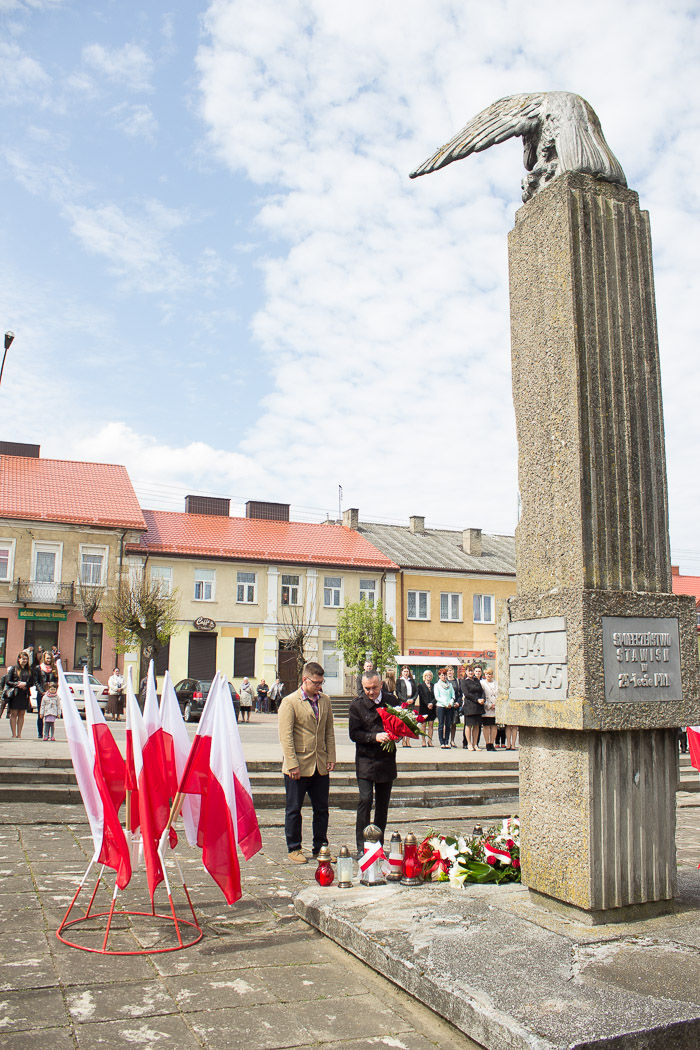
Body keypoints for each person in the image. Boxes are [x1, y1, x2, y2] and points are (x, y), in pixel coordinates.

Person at [278, 661, 336, 864]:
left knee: (322, 809)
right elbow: (285, 736)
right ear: (305, 680)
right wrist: (292, 763)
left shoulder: (325, 701)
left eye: (322, 682)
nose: (320, 686)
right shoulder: (290, 702)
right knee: (294, 808)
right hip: (298, 766)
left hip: (319, 764)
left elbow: (329, 731)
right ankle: (294, 847)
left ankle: (321, 846)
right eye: (316, 683)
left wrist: (331, 757)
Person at [348, 669, 397, 857]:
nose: (371, 692)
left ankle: (378, 843)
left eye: (374, 688)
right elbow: (354, 734)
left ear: (381, 685)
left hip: (386, 759)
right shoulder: (357, 706)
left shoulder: (391, 701)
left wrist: (398, 735)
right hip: (366, 759)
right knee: (365, 799)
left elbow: (399, 723)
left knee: (382, 805)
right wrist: (374, 737)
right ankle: (361, 845)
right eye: (367, 689)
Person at [5, 652, 33, 739]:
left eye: (26, 659)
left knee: (21, 714)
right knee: (14, 714)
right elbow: (8, 681)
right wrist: (17, 684)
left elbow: (32, 682)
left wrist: (25, 684)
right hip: (15, 694)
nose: (24, 661)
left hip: (24, 694)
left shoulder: (29, 670)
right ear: (19, 659)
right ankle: (13, 734)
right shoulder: (13, 669)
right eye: (23, 659)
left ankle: (19, 734)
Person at [34, 650, 58, 740]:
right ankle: (40, 732)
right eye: (47, 658)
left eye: (50, 658)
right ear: (44, 658)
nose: (48, 660)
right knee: (41, 713)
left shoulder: (54, 668)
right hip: (41, 694)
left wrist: (53, 691)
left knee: (50, 714)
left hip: (51, 695)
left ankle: (48, 733)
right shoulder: (38, 668)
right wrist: (42, 691)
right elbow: (36, 681)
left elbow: (56, 681)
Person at [462, 665, 485, 750]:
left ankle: (475, 744)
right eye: (469, 671)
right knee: (469, 725)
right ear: (466, 672)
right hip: (469, 706)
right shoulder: (464, 682)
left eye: (472, 671)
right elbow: (467, 694)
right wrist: (477, 699)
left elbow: (482, 691)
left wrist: (483, 699)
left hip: (478, 706)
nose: (471, 673)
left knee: (477, 725)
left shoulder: (476, 680)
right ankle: (469, 744)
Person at [434, 668, 456, 749]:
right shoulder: (437, 685)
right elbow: (437, 697)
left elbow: (453, 695)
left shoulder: (449, 685)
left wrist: (451, 703)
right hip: (441, 706)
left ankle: (447, 741)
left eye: (445, 675)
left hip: (449, 706)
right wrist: (445, 704)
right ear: (439, 676)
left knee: (448, 724)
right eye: (442, 675)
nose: (443, 677)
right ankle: (441, 742)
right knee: (441, 724)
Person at [481, 667, 498, 751]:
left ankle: (492, 743)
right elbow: (482, 695)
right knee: (487, 726)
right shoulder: (482, 683)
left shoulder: (496, 683)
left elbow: (499, 694)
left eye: (490, 674)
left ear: (492, 675)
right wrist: (488, 705)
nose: (488, 675)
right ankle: (487, 743)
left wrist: (496, 704)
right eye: (487, 674)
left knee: (494, 726)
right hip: (487, 707)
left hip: (495, 707)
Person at [417, 669, 436, 747]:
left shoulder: (433, 686)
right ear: (424, 677)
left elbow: (436, 696)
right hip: (424, 707)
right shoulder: (421, 686)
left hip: (432, 707)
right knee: (423, 724)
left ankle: (430, 741)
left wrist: (432, 703)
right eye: (427, 675)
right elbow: (422, 695)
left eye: (430, 676)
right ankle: (423, 741)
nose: (429, 677)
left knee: (431, 724)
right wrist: (427, 703)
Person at [447, 667, 462, 747]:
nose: (450, 672)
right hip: (446, 705)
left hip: (455, 705)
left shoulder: (457, 681)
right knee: (446, 723)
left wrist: (458, 703)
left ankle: (452, 740)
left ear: (453, 672)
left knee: (453, 723)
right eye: (448, 671)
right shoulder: (444, 681)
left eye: (451, 670)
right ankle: (445, 739)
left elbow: (460, 694)